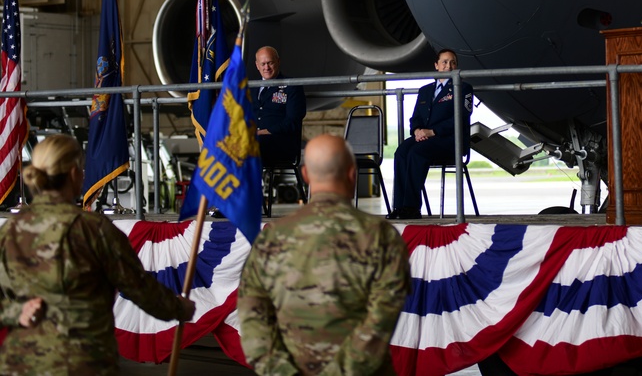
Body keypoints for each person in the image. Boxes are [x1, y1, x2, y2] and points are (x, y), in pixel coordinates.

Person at [0, 134, 195, 375]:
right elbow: (140, 287)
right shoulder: (94, 229)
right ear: (74, 173)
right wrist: (179, 309)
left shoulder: (9, 231)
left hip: (21, 363)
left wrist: (17, 312)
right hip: (83, 363)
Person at [238, 134, 411, 376]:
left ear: (306, 175)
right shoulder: (382, 237)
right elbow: (379, 323)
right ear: (353, 173)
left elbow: (252, 317)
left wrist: (281, 371)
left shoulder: (271, 238)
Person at [387, 49, 473, 220]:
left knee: (416, 153)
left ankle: (411, 208)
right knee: (401, 152)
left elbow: (461, 117)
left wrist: (433, 131)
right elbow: (416, 117)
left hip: (449, 140)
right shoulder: (425, 90)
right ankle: (399, 206)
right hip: (425, 138)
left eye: (453, 62)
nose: (449, 66)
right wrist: (417, 131)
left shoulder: (463, 88)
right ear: (436, 65)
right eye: (445, 62)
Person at [253, 45, 307, 168]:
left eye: (270, 63)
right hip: (252, 140)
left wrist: (263, 132)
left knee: (250, 148)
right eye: (263, 64)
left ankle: (251, 186)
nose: (266, 67)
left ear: (278, 61)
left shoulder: (292, 85)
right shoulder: (251, 87)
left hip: (280, 143)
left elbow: (293, 121)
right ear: (257, 65)